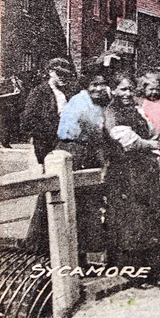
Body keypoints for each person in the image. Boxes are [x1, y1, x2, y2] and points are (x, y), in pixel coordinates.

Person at [103, 73, 160, 287]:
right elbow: (128, 142)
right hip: (124, 174)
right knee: (132, 221)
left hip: (144, 172)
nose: (127, 93)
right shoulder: (111, 112)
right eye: (122, 89)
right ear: (113, 90)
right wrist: (151, 145)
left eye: (130, 89)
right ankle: (134, 274)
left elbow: (152, 131)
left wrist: (151, 143)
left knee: (152, 217)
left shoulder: (136, 110)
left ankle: (155, 272)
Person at [56, 65, 113, 263]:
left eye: (103, 84)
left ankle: (88, 256)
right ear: (86, 85)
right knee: (76, 205)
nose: (99, 88)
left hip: (89, 153)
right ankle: (70, 257)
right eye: (94, 84)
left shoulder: (101, 102)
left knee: (91, 207)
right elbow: (92, 132)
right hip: (75, 152)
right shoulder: (80, 102)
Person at [19, 58, 75, 254]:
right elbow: (27, 122)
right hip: (48, 146)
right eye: (60, 74)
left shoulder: (66, 93)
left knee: (59, 190)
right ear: (50, 72)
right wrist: (51, 134)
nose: (63, 79)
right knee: (49, 190)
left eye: (67, 75)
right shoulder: (40, 93)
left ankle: (48, 240)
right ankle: (36, 241)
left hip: (64, 145)